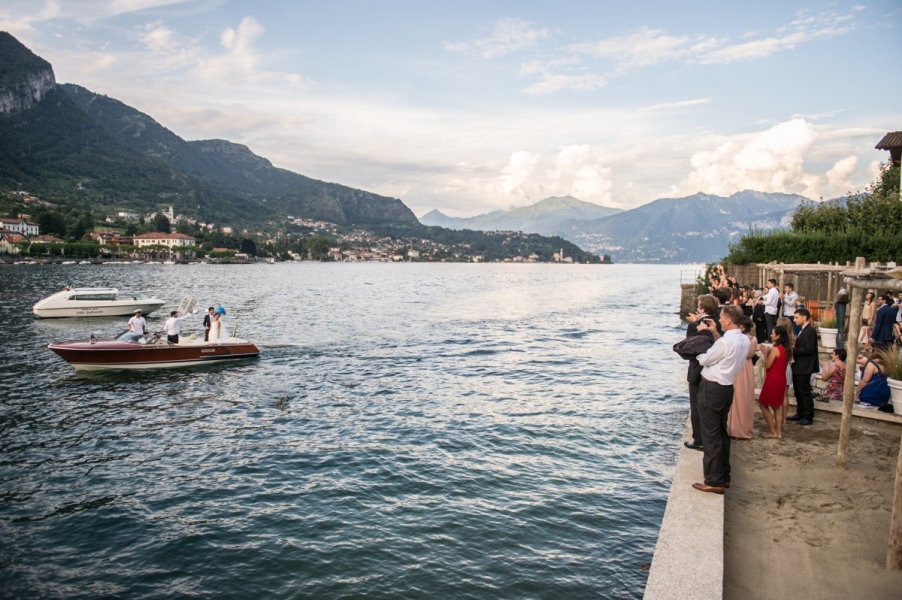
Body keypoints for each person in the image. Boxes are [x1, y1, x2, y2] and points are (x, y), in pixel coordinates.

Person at [692, 305, 750, 495]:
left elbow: (705, 360)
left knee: (710, 435)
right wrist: (715, 333)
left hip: (712, 388)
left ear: (727, 320)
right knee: (721, 432)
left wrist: (699, 346)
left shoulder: (725, 343)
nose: (719, 321)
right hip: (726, 387)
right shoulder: (743, 339)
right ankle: (724, 475)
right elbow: (724, 352)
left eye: (721, 318)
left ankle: (714, 480)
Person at [674, 294, 720, 451]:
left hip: (698, 369)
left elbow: (688, 347)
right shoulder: (719, 322)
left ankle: (698, 439)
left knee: (696, 405)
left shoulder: (696, 326)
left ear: (702, 308)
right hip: (715, 371)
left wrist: (694, 324)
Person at [757, 325, 791, 438]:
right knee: (777, 406)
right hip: (781, 378)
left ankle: (773, 431)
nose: (771, 335)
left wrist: (765, 353)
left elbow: (768, 366)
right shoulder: (786, 349)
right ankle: (778, 432)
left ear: (778, 336)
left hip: (773, 379)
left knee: (763, 404)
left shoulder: (776, 349)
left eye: (773, 333)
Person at [727, 317, 757, 440]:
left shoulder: (751, 339)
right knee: (735, 398)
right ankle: (733, 428)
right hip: (739, 367)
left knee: (742, 397)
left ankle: (741, 429)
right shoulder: (746, 339)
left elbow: (748, 354)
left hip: (743, 368)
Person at [787, 308, 818, 425]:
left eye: (797, 317)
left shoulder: (810, 331)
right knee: (798, 391)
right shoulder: (802, 330)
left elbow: (809, 349)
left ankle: (808, 416)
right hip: (799, 366)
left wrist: (793, 350)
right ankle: (800, 413)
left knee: (804, 392)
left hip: (804, 366)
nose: (795, 320)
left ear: (804, 317)